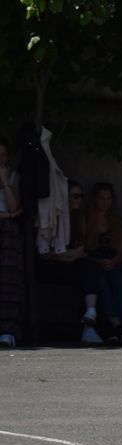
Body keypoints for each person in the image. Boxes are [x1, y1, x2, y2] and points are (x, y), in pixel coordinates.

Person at [76, 183, 122, 344]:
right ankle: (116, 325)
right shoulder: (85, 219)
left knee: (120, 279)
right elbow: (82, 248)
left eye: (109, 198)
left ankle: (117, 324)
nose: (105, 202)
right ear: (95, 199)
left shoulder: (115, 220)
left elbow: (121, 251)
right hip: (93, 259)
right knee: (101, 281)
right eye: (101, 198)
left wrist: (113, 261)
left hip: (112, 259)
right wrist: (98, 261)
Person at [0, 141, 24, 349]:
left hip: (7, 231)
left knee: (7, 281)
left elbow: (15, 206)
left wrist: (4, 181)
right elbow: (11, 212)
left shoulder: (14, 177)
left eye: (4, 154)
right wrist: (9, 215)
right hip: (6, 220)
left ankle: (7, 330)